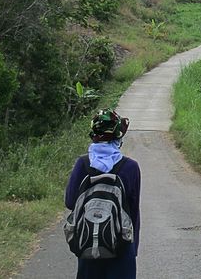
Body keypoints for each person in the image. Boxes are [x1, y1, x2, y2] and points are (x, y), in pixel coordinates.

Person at [65, 109, 141, 279]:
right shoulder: (131, 167)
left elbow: (70, 202)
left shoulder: (82, 164)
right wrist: (133, 248)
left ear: (94, 135)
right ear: (118, 137)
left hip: (89, 244)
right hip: (121, 245)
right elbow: (133, 211)